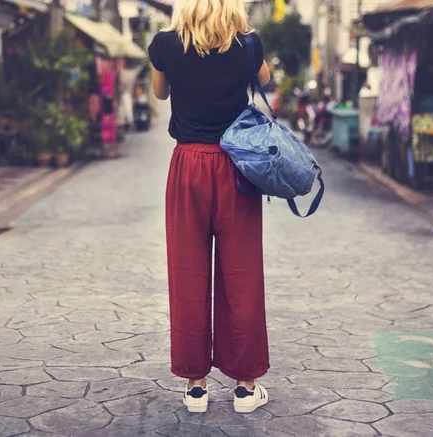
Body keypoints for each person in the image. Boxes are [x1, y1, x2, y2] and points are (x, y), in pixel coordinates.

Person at [147, 0, 272, 414]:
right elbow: (265, 80)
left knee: (188, 271)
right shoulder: (248, 44)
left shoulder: (166, 45)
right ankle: (245, 386)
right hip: (237, 165)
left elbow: (159, 92)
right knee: (242, 271)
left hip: (188, 165)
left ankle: (196, 386)